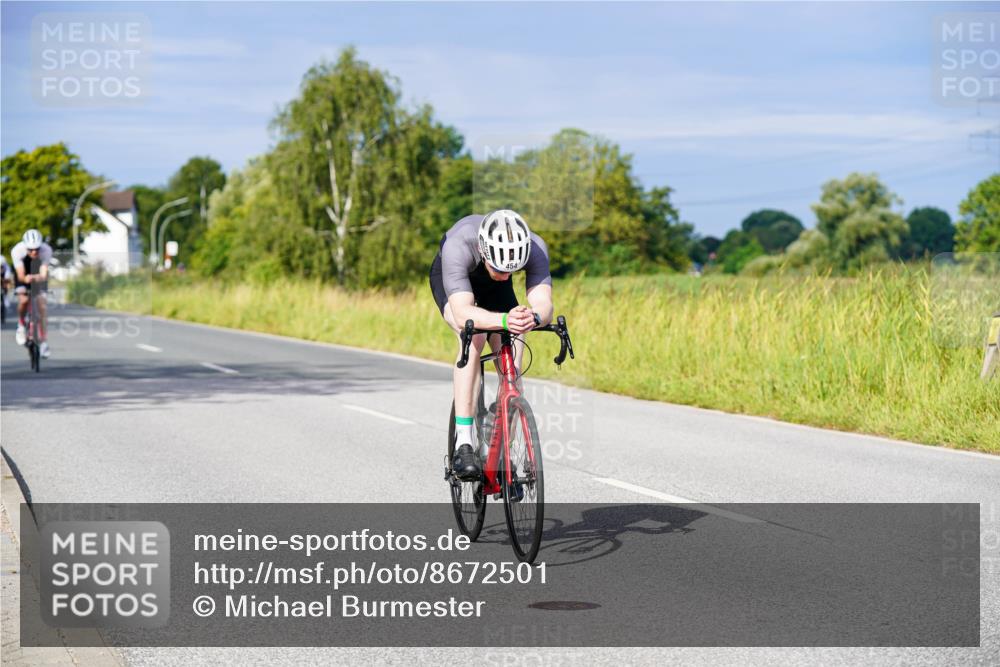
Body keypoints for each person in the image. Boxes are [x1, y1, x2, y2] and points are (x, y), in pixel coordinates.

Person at [429, 210, 553, 480]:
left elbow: (544, 305)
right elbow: (463, 312)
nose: (506, 274)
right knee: (472, 337)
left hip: (496, 293)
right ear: (485, 252)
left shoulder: (535, 248)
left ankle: (501, 444)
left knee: (513, 353)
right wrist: (505, 318)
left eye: (512, 269)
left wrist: (529, 317)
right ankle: (464, 443)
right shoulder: (458, 246)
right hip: (458, 282)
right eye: (499, 267)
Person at [11, 229, 52, 358]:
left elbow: (44, 273)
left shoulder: (46, 250)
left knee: (42, 306)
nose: (34, 252)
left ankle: (44, 342)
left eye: (37, 249)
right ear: (25, 247)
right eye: (30, 249)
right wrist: (26, 279)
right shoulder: (17, 251)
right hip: (23, 272)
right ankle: (21, 324)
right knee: (23, 300)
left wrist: (38, 277)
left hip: (38, 272)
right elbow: (21, 275)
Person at [0, 252, 11, 324]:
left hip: (3, 283)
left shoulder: (6, 267)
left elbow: (7, 279)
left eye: (1, 267)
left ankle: (2, 316)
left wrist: (6, 287)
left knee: (2, 298)